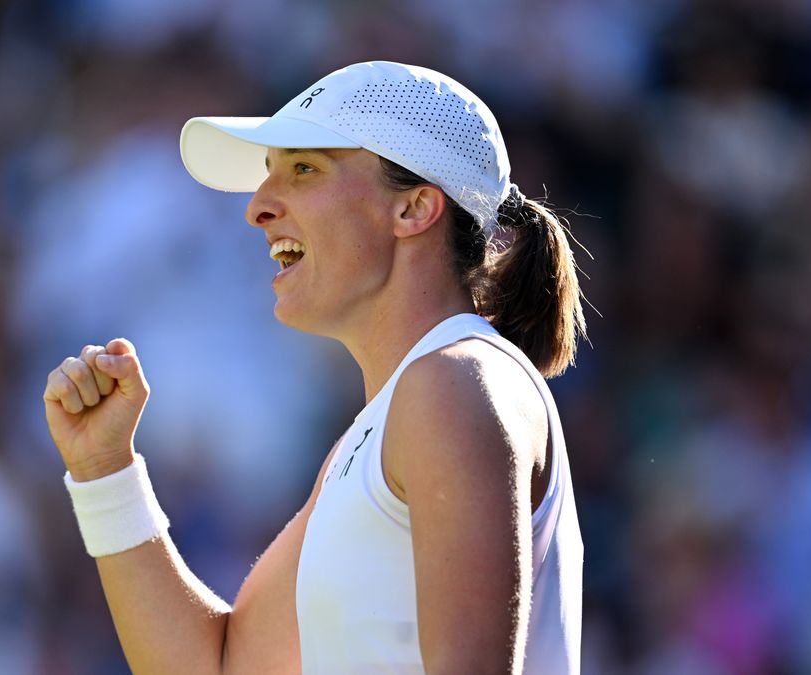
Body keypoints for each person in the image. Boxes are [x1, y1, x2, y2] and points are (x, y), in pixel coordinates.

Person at [43, 61, 586, 674]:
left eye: (304, 169)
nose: (257, 208)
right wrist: (104, 471)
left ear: (413, 209)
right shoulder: (394, 421)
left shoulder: (451, 381)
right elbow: (217, 669)